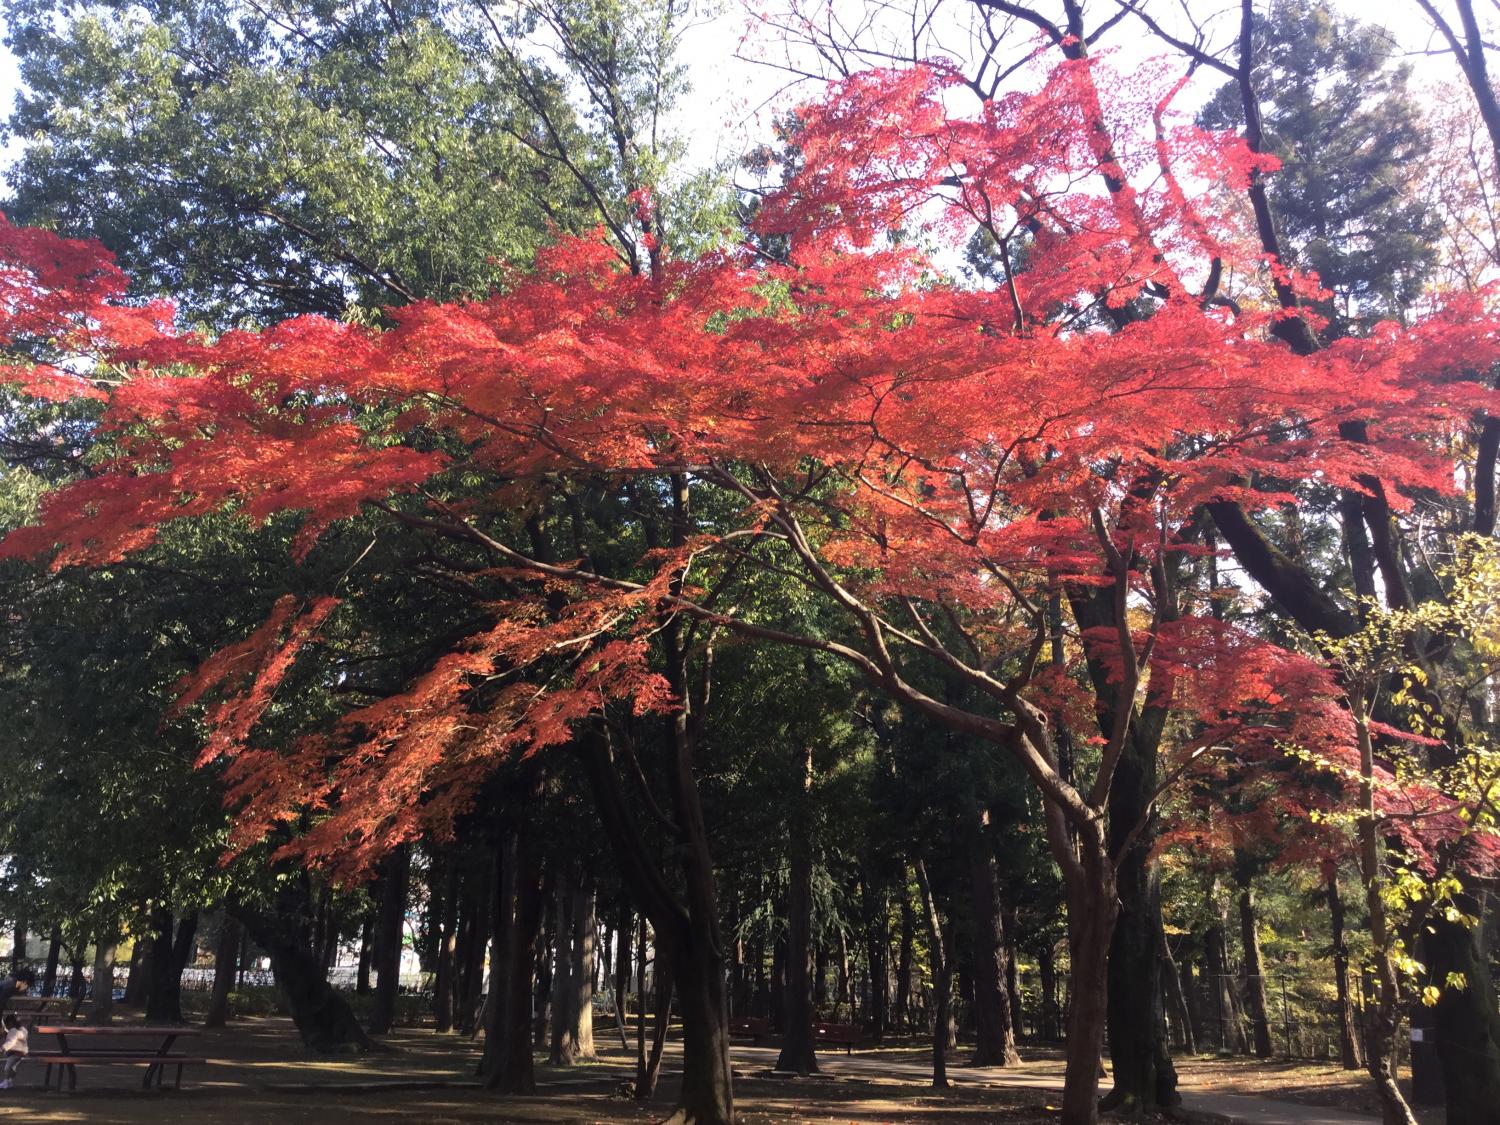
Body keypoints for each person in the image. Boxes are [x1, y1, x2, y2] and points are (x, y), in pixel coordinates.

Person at [0, 1015, 26, 1089]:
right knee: (12, 1068)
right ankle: (9, 1081)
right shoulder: (21, 1030)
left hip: (16, 1052)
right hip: (21, 1052)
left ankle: (5, 1082)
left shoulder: (13, 1031)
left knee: (7, 1068)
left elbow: (10, 1042)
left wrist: (2, 1048)